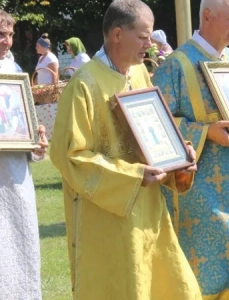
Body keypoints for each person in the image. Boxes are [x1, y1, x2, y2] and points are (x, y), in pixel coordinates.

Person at [49, 1, 202, 299]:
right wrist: (133, 175)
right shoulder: (84, 84)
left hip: (148, 208)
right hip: (106, 215)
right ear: (117, 35)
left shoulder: (140, 73)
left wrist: (178, 157)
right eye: (143, 37)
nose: (150, 43)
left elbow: (154, 134)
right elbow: (71, 156)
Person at [152, 0, 229, 298]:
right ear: (207, 17)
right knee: (214, 269)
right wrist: (206, 132)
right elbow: (155, 126)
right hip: (202, 191)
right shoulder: (176, 65)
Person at [0, 9, 48, 300]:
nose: (6, 41)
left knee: (20, 241)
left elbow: (22, 120)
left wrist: (35, 141)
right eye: (0, 35)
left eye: (9, 35)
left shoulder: (15, 70)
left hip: (16, 176)